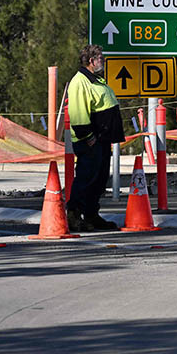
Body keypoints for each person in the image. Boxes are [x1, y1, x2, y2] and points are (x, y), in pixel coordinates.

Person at [66, 44, 125, 232]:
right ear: (91, 61)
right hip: (90, 140)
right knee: (86, 177)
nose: (104, 60)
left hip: (102, 139)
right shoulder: (80, 81)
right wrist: (87, 136)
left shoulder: (97, 80)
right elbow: (78, 112)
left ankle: (91, 215)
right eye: (101, 58)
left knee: (99, 179)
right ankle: (74, 215)